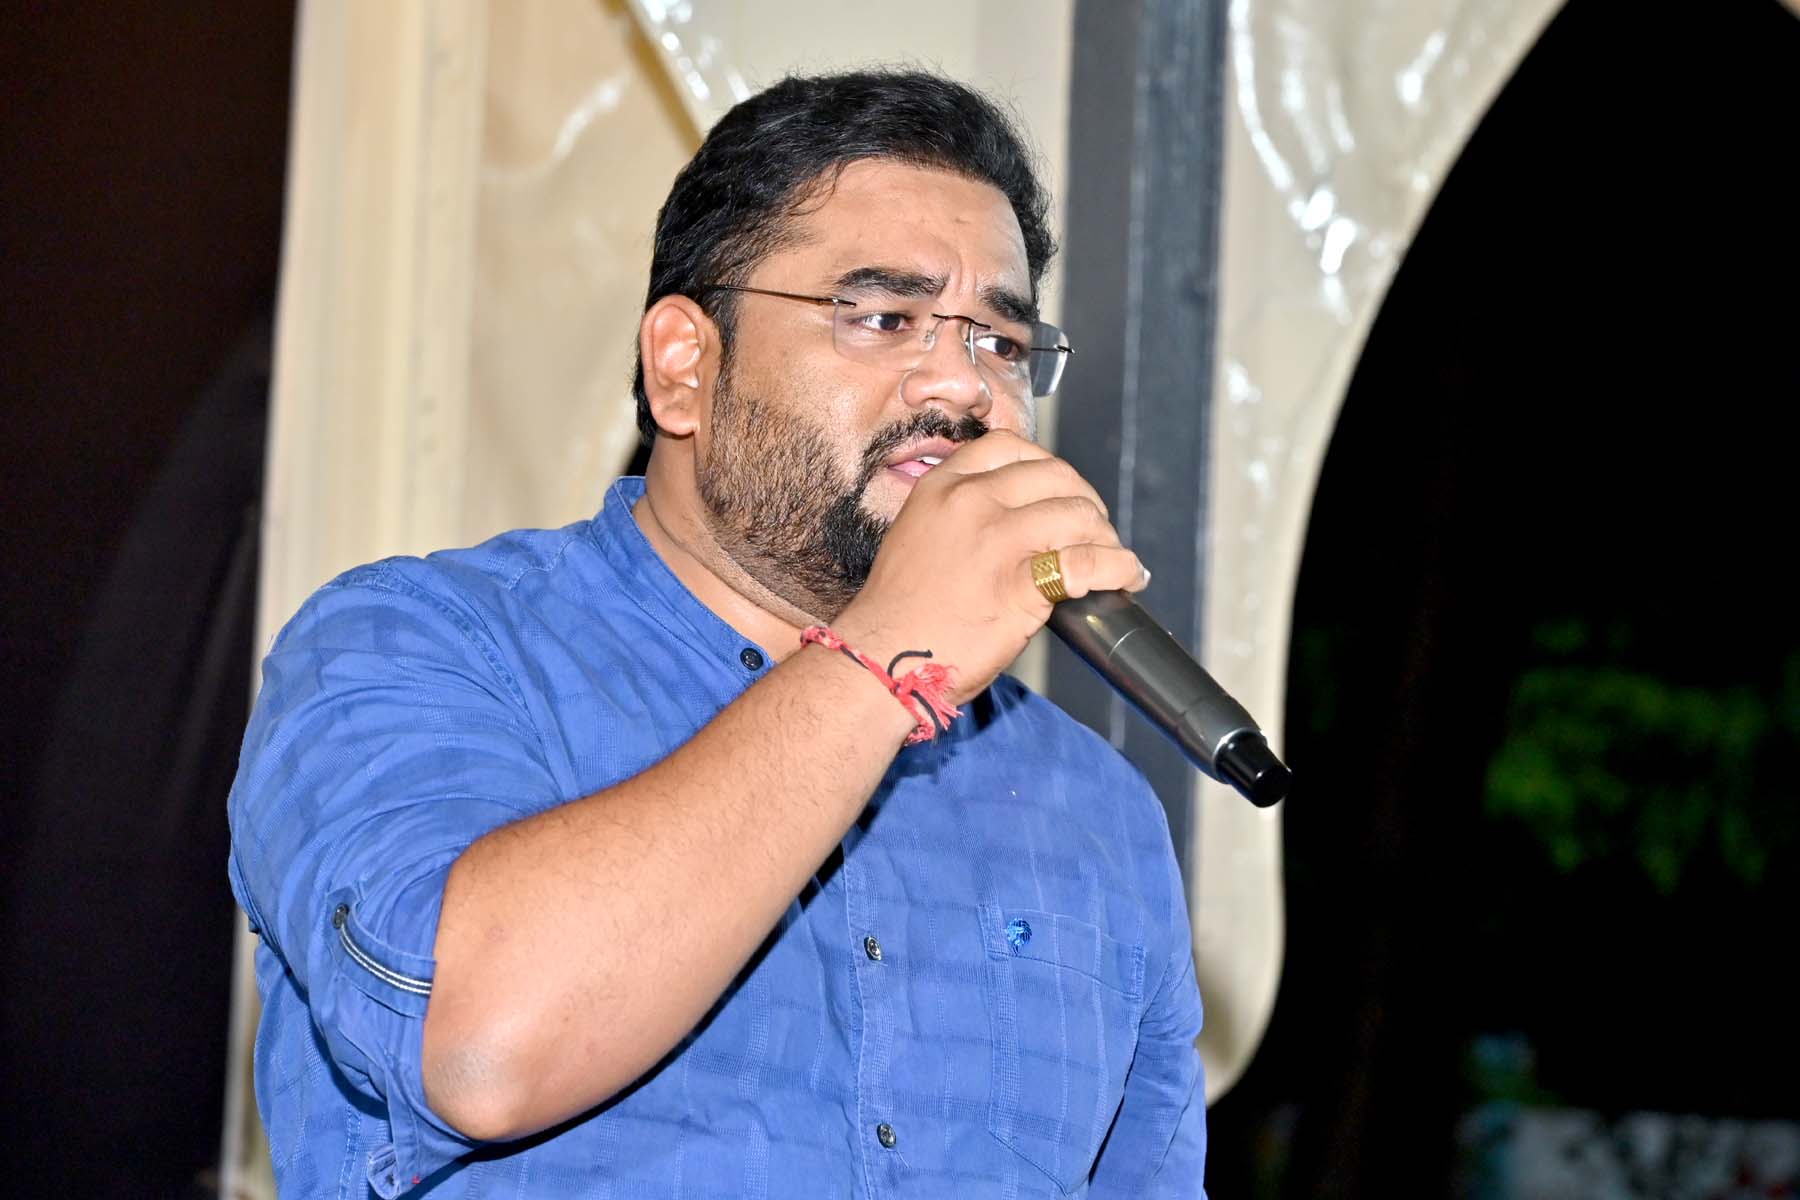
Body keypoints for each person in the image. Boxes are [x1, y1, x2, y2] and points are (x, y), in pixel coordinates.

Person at [228, 69, 1207, 1198]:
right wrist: (884, 657)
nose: (961, 384)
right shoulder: (417, 646)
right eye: (884, 318)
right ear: (684, 366)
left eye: (1000, 341)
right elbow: (482, 1051)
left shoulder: (1091, 808)